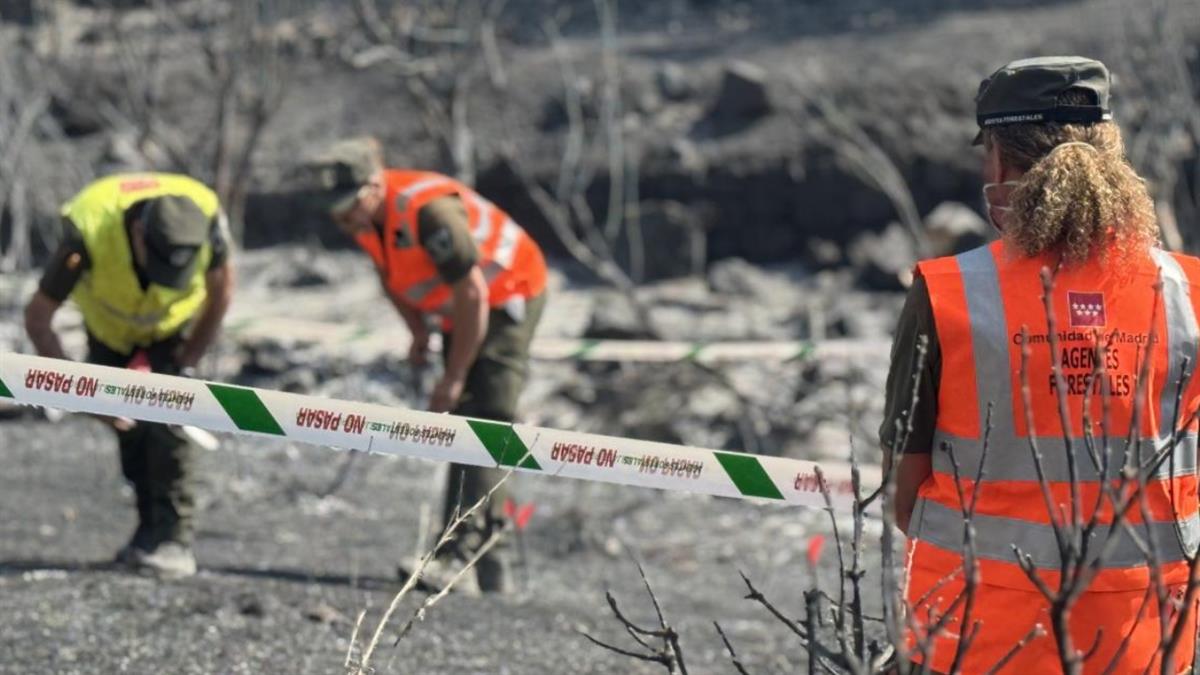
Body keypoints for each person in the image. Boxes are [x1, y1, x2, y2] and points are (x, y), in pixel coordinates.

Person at [881, 56, 1200, 673]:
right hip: (1148, 641)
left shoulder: (949, 291)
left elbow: (905, 497)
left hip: (974, 640)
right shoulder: (1189, 295)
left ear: (998, 161)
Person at [303, 137, 548, 593]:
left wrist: (454, 376)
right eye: (334, 209)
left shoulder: (428, 211)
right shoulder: (365, 218)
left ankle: (459, 555)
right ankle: (491, 566)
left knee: (485, 420)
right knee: (466, 423)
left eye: (349, 205)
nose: (343, 219)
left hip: (507, 291)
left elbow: (474, 291)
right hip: (463, 307)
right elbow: (390, 275)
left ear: (374, 186)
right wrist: (418, 332)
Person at [24, 173, 235, 578]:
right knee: (130, 430)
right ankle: (147, 534)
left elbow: (222, 292)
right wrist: (80, 394)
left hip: (171, 335)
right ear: (138, 234)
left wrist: (189, 357)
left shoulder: (206, 217)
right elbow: (38, 317)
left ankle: (174, 540)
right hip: (110, 334)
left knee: (171, 428)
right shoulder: (87, 230)